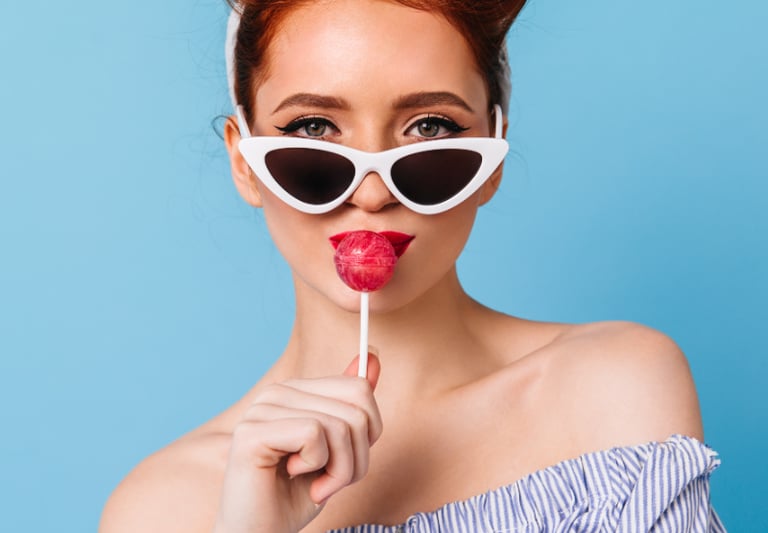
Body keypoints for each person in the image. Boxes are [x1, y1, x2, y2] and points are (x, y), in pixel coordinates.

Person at [100, 1, 725, 531]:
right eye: (314, 128)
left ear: (494, 157)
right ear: (245, 163)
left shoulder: (608, 387)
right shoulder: (163, 508)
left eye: (430, 127)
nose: (372, 194)